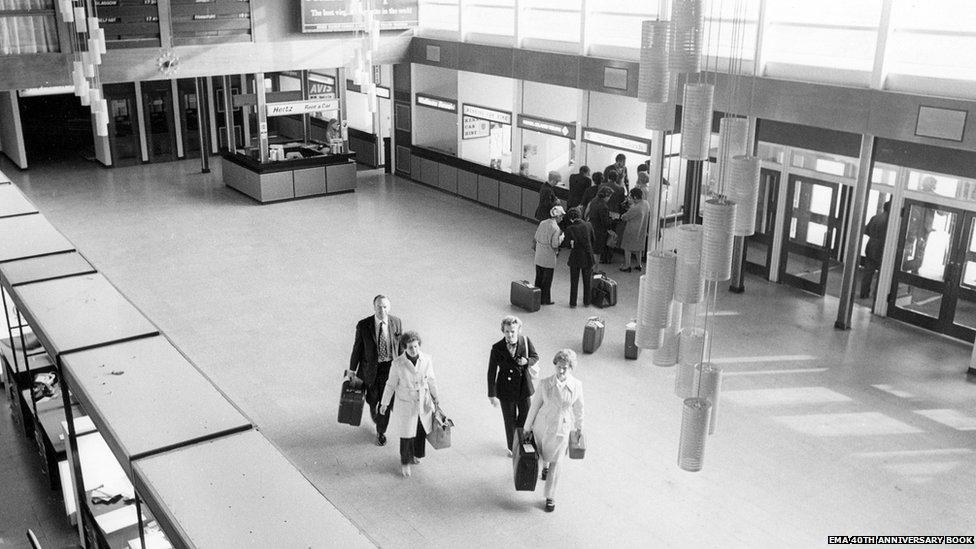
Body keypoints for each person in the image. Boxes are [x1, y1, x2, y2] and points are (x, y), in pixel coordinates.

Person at [524, 348, 584, 513]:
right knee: (541, 453)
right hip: (542, 426)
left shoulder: (577, 386)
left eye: (566, 367)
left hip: (561, 429)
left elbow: (579, 408)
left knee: (556, 463)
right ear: (555, 365)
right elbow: (534, 406)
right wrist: (527, 428)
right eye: (559, 366)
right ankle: (544, 467)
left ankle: (550, 496)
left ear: (571, 368)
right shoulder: (544, 383)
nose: (562, 370)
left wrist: (579, 427)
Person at [379, 331, 440, 477]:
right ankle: (405, 462)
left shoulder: (426, 360)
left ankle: (417, 454)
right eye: (410, 347)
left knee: (421, 430)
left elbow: (431, 379)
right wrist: (384, 403)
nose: (414, 350)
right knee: (406, 434)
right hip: (406, 403)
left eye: (416, 346)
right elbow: (390, 385)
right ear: (404, 348)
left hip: (423, 402)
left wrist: (436, 397)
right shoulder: (398, 364)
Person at [349, 295, 403, 446]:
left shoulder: (396, 322)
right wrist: (352, 370)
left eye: (385, 307)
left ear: (389, 308)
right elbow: (357, 349)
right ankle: (374, 410)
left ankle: (381, 431)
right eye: (379, 306)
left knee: (385, 402)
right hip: (371, 370)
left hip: (389, 369)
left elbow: (400, 347)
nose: (382, 310)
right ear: (374, 307)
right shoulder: (363, 325)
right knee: (373, 400)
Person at [487, 316, 540, 456]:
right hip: (505, 390)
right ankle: (512, 447)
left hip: (523, 388)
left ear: (519, 330)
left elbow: (535, 357)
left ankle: (523, 441)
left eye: (513, 331)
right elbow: (491, 372)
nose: (510, 335)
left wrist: (526, 361)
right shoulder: (497, 348)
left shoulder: (525, 341)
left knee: (526, 416)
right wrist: (491, 394)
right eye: (506, 332)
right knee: (509, 420)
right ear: (503, 331)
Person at [563, 207, 596, 308]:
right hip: (588, 256)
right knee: (587, 281)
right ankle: (587, 301)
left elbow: (567, 245)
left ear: (570, 218)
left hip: (576, 257)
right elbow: (593, 240)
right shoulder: (588, 225)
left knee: (574, 281)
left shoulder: (570, 229)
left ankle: (573, 303)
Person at [534, 205, 565, 305]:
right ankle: (545, 299)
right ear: (557, 216)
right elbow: (555, 244)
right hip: (548, 256)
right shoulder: (556, 228)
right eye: (561, 216)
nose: (562, 218)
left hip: (539, 254)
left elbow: (536, 236)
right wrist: (561, 238)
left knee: (538, 277)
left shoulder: (543, 223)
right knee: (547, 280)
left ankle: (536, 296)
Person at [861, 201, 890, 299]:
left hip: (870, 246)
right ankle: (876, 296)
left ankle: (864, 293)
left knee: (868, 272)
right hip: (881, 248)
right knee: (882, 273)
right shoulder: (890, 221)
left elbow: (866, 231)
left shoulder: (875, 217)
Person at [618, 188, 651, 272]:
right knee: (639, 248)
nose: (630, 198)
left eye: (631, 197)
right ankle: (639, 264)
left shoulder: (635, 208)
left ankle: (627, 266)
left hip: (632, 230)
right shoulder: (646, 203)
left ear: (635, 197)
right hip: (642, 229)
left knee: (627, 248)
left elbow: (624, 217)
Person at [586, 187, 613, 264]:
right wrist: (612, 220)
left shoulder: (594, 200)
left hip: (591, 226)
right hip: (599, 230)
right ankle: (595, 269)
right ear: (606, 196)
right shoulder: (604, 206)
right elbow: (605, 222)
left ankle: (591, 268)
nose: (609, 198)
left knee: (592, 248)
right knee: (597, 251)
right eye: (609, 196)